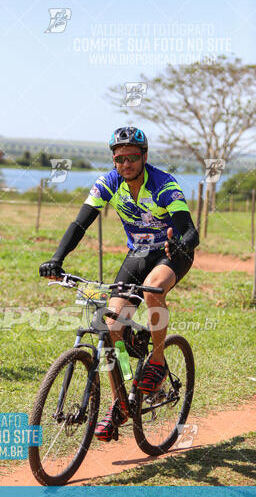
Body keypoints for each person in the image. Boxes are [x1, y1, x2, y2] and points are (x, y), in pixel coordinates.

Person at [39, 126, 199, 441]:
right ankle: (118, 404)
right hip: (138, 254)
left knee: (154, 289)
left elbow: (190, 230)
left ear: (144, 157)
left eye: (132, 158)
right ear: (114, 160)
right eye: (119, 158)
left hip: (172, 253)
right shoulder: (109, 183)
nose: (125, 164)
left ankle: (156, 360)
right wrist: (56, 260)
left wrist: (183, 245)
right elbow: (79, 223)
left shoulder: (164, 185)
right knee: (112, 327)